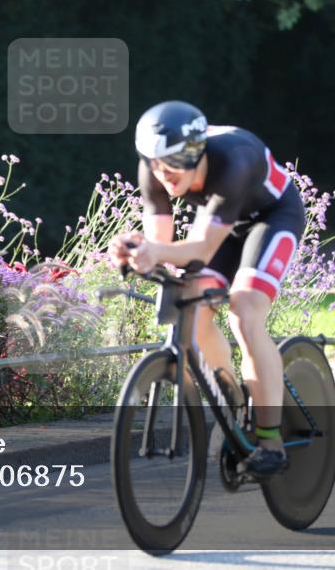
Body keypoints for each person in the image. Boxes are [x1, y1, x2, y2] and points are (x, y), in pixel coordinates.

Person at [108, 101, 304, 476]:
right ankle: (231, 396)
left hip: (271, 219)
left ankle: (270, 440)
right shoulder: (154, 166)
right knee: (193, 310)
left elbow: (200, 249)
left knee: (244, 314)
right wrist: (136, 252)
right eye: (155, 164)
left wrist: (155, 251)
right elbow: (161, 245)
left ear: (196, 154)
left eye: (173, 164)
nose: (163, 174)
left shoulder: (233, 160)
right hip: (221, 227)